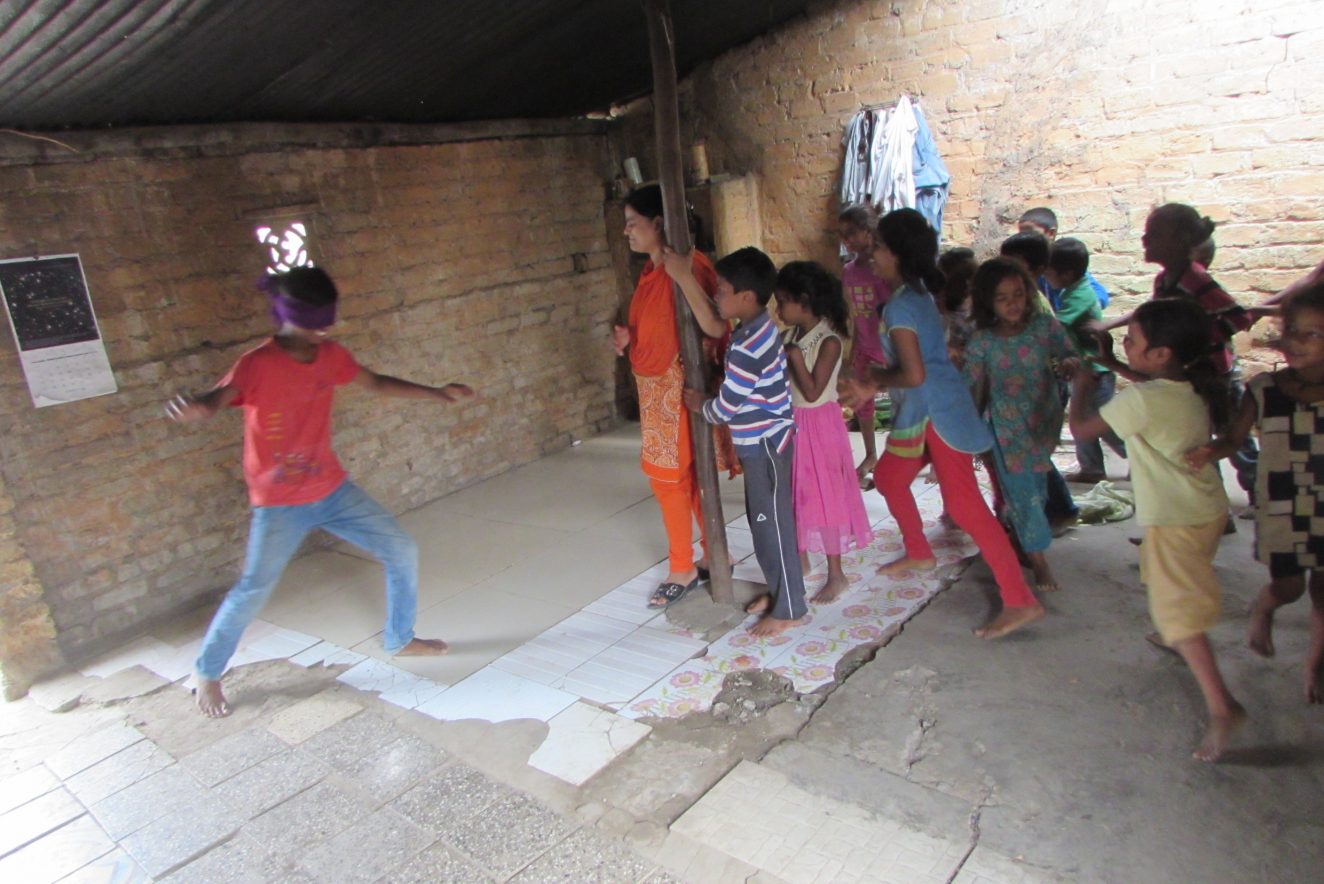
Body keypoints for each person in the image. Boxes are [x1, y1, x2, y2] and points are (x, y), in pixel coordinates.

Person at [166, 267, 470, 718]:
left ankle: (400, 638)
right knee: (253, 589)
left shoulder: (330, 355)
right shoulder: (257, 363)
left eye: (326, 323)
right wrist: (197, 406)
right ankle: (207, 672)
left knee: (401, 548)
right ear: (288, 316)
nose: (321, 332)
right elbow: (218, 397)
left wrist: (437, 393)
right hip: (278, 503)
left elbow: (374, 382)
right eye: (314, 324)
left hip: (331, 488)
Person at [842, 209, 1045, 640]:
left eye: (878, 247)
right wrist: (875, 380)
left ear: (898, 253)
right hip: (924, 411)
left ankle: (1020, 599)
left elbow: (913, 374)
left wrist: (872, 381)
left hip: (938, 413)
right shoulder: (912, 294)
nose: (871, 254)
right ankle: (919, 551)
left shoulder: (902, 305)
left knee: (966, 506)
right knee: (890, 477)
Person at [1070, 298, 1244, 761]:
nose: (1125, 344)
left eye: (1131, 340)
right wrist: (1111, 363)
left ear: (1161, 353)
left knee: (1181, 616)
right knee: (1165, 577)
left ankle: (1222, 707)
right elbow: (1149, 384)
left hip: (1175, 519)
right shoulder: (1188, 386)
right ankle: (1173, 631)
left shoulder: (1141, 401)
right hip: (1205, 509)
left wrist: (1082, 385)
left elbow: (1081, 429)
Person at [1188, 282, 1324, 703]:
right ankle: (1264, 607)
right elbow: (1234, 439)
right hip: (1282, 505)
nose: (1295, 341)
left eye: (1312, 333)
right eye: (1291, 330)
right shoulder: (1265, 389)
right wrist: (1209, 452)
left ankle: (1315, 665)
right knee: (1289, 587)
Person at [611, 185, 729, 609]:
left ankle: (683, 567)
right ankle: (713, 554)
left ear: (659, 223)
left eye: (633, 223)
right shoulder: (651, 272)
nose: (626, 232)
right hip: (656, 390)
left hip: (678, 389)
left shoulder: (689, 267)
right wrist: (630, 339)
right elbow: (658, 328)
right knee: (680, 478)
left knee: (669, 479)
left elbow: (713, 326)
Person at [1094, 204, 1257, 504]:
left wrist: (1194, 339)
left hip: (1212, 373)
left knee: (1234, 439)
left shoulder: (1194, 278)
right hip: (1187, 371)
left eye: (1154, 234)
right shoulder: (1164, 280)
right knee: (1196, 443)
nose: (1145, 240)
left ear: (1180, 240)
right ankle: (1209, 503)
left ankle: (1259, 494)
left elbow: (1238, 317)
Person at [682, 247, 807, 636]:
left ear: (747, 297)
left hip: (766, 445)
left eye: (721, 290)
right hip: (765, 442)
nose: (715, 296)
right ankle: (780, 592)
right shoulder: (755, 329)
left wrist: (702, 405)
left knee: (772, 526)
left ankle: (790, 608)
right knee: (763, 522)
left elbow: (726, 407)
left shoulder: (749, 345)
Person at [964, 258, 1079, 594]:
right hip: (1006, 428)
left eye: (1018, 294)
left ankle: (1017, 531)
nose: (1013, 303)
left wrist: (1070, 363)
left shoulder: (1044, 327)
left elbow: (1069, 352)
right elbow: (971, 388)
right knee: (1024, 494)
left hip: (1043, 424)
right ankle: (1039, 561)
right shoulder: (982, 342)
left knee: (1036, 492)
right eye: (1002, 298)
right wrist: (971, 434)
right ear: (988, 302)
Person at [774, 261, 873, 604]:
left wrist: (793, 357)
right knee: (794, 492)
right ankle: (800, 558)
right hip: (791, 423)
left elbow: (813, 391)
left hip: (820, 426)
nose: (778, 310)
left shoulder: (828, 341)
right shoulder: (789, 337)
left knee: (826, 497)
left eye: (782, 301)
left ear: (803, 301)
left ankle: (836, 574)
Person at [1001, 233, 1080, 529]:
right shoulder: (1022, 300)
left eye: (1014, 263)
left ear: (1036, 269)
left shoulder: (1033, 304)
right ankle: (1056, 509)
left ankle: (1058, 510)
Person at [1045, 238, 1126, 484]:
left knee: (1103, 422)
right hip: (1082, 369)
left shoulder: (1081, 295)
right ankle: (1091, 468)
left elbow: (1057, 325)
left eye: (1048, 272)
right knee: (1081, 416)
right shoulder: (1071, 290)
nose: (1045, 277)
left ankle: (1137, 452)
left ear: (1066, 274)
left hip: (1095, 370)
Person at [839, 204, 893, 489]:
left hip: (890, 347)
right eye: (843, 234)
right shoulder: (849, 271)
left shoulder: (883, 269)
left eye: (852, 233)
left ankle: (923, 455)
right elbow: (855, 315)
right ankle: (871, 453)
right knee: (863, 404)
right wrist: (853, 351)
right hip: (865, 345)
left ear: (869, 230)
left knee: (906, 401)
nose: (847, 240)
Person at [1017, 207, 1110, 309]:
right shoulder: (1029, 263)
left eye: (1030, 233)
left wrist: (1080, 308)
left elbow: (1100, 294)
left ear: (1051, 233)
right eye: (1022, 235)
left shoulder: (1061, 259)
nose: (1025, 239)